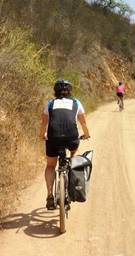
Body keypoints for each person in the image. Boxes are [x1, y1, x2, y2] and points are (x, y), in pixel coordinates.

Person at [41, 79, 90, 210]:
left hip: (53, 138)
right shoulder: (76, 102)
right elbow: (83, 123)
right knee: (73, 154)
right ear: (70, 91)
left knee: (50, 166)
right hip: (71, 138)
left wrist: (42, 135)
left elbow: (44, 124)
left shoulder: (50, 103)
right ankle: (71, 170)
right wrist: (86, 134)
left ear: (55, 91)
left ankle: (50, 195)